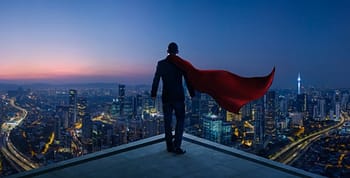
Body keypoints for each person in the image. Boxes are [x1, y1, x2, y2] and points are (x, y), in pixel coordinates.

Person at [151, 42, 195, 154]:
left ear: (167, 51)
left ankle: (169, 146)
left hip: (166, 97)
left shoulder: (161, 64)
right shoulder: (181, 64)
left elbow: (156, 79)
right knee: (180, 120)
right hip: (178, 97)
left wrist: (153, 93)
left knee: (167, 122)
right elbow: (188, 80)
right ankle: (177, 146)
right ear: (177, 51)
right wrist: (192, 93)